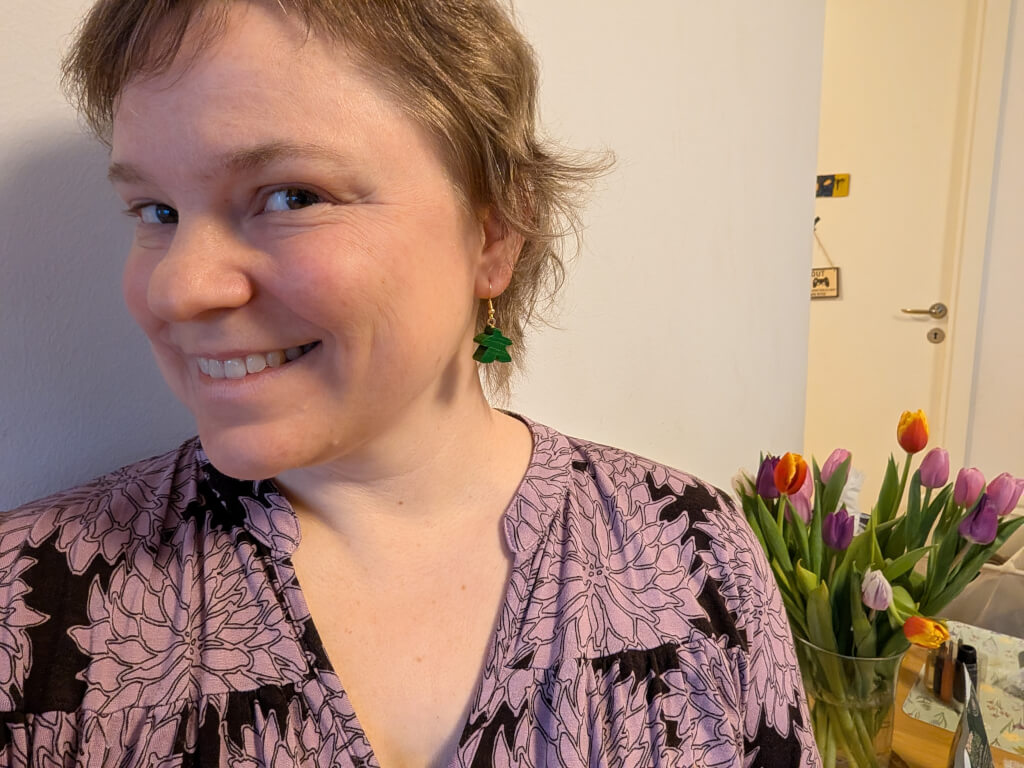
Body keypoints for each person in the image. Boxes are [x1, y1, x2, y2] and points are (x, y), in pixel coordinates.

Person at [0, 1, 819, 765]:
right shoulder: (31, 608)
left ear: (495, 233)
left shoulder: (696, 557)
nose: (178, 289)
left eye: (291, 196)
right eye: (156, 211)